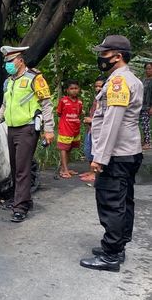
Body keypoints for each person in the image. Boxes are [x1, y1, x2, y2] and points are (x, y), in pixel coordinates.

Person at [80, 35, 143, 272]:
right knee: (124, 201)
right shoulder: (129, 79)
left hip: (116, 154)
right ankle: (118, 246)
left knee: (112, 203)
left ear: (117, 56)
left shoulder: (119, 82)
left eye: (104, 54)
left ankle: (111, 255)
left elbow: (111, 122)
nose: (101, 58)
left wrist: (99, 157)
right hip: (129, 151)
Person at [0, 45, 55, 223]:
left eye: (10, 61)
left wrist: (49, 129)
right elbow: (4, 105)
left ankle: (21, 207)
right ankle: (24, 199)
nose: (8, 65)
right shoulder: (9, 81)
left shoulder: (35, 78)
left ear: (20, 60)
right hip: (12, 128)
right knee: (16, 168)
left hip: (27, 129)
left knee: (22, 168)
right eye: (6, 62)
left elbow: (46, 104)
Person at [56, 80, 83, 178]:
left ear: (79, 89)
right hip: (65, 129)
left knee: (69, 148)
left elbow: (78, 114)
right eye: (71, 89)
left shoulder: (80, 102)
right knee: (63, 149)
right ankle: (64, 171)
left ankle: (65, 168)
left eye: (76, 88)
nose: (74, 91)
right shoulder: (63, 101)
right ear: (67, 90)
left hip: (75, 129)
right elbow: (59, 113)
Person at [79, 77, 105, 182]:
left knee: (95, 151)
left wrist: (92, 120)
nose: (98, 88)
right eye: (96, 86)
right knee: (88, 149)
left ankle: (95, 173)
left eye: (100, 86)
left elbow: (106, 117)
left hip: (98, 129)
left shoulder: (105, 98)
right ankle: (91, 171)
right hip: (91, 128)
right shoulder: (97, 97)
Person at [140, 62, 152, 149]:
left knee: (146, 124)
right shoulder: (143, 80)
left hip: (148, 105)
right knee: (142, 124)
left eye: (150, 68)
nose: (148, 70)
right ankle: (145, 141)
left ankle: (148, 142)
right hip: (141, 105)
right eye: (147, 68)